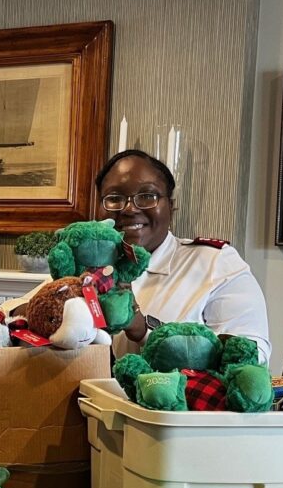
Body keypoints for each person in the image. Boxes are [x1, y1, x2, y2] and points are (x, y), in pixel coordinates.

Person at [98, 149, 271, 363]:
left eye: (147, 196)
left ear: (170, 207)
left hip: (176, 396)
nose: (130, 209)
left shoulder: (215, 263)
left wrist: (145, 331)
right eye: (114, 198)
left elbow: (252, 355)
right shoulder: (86, 270)